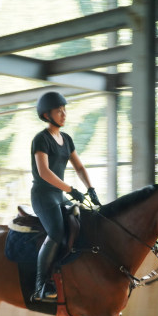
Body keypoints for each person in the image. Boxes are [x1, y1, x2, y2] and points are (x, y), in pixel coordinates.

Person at [30, 91, 101, 303]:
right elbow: (44, 172)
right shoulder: (41, 139)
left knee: (80, 222)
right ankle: (41, 285)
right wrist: (70, 189)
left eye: (64, 109)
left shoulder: (67, 139)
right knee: (57, 231)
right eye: (58, 110)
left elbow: (79, 166)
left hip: (59, 195)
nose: (63, 113)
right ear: (46, 115)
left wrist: (91, 188)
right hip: (43, 196)